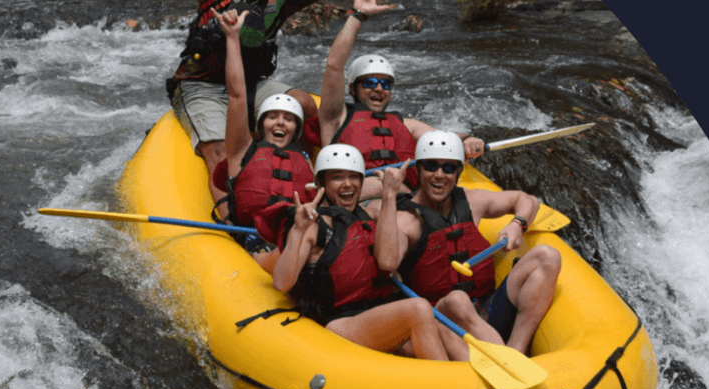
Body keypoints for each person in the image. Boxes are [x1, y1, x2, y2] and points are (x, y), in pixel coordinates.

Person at [373, 130, 561, 360]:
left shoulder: (472, 201)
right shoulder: (407, 220)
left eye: (449, 168)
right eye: (431, 166)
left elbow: (527, 200)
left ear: (459, 171)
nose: (439, 175)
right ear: (418, 170)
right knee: (456, 300)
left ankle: (516, 351)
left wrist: (517, 224)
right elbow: (386, 261)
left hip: (485, 309)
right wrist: (389, 196)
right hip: (443, 323)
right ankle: (506, 362)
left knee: (547, 256)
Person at [271, 144, 449, 361]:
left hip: (374, 312)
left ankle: (485, 380)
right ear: (321, 183)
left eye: (354, 177)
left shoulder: (365, 213)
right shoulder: (313, 225)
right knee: (420, 308)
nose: (347, 184)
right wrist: (298, 230)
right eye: (337, 177)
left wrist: (390, 194)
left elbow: (388, 262)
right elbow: (281, 283)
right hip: (340, 321)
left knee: (440, 326)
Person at [309, 0, 488, 201]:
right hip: (356, 204)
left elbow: (443, 138)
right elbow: (334, 65)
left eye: (385, 85)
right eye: (369, 82)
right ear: (352, 88)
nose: (378, 88)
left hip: (402, 204)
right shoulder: (336, 118)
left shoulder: (406, 125)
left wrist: (466, 141)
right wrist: (358, 15)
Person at [167, 0, 319, 217]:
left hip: (250, 85)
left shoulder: (277, 4)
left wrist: (359, 12)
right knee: (221, 152)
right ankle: (236, 226)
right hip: (202, 86)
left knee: (302, 103)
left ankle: (306, 180)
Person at [209, 8, 317, 271]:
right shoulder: (242, 150)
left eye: (288, 119)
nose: (280, 122)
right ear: (261, 124)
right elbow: (236, 95)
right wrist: (232, 38)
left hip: (298, 240)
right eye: (273, 117)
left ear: (296, 129)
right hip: (257, 244)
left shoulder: (305, 161)